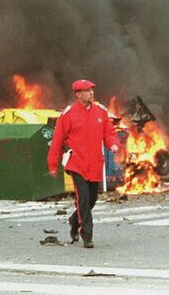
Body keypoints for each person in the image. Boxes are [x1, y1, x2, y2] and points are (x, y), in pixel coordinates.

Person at [47, 79, 121, 248]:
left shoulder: (100, 112)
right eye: (87, 91)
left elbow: (109, 133)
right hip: (77, 163)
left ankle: (74, 220)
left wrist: (113, 144)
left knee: (92, 199)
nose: (91, 93)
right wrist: (52, 165)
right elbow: (57, 141)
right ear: (78, 94)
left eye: (92, 90)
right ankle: (86, 234)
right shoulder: (68, 115)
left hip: (95, 163)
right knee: (83, 197)